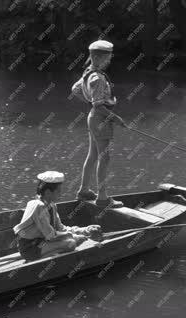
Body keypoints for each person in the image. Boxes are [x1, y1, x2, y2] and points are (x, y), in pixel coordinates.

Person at [73, 40, 125, 209]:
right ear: (96, 57)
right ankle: (102, 198)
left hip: (94, 118)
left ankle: (84, 191)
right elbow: (98, 105)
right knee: (104, 157)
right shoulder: (99, 78)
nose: (109, 60)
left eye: (109, 56)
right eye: (107, 57)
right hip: (101, 120)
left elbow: (75, 89)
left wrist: (90, 102)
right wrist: (115, 118)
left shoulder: (88, 73)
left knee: (93, 155)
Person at [13, 171, 101, 261]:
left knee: (71, 242)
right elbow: (51, 236)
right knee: (71, 243)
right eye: (58, 191)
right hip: (30, 248)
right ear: (48, 192)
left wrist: (85, 230)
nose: (60, 193)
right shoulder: (39, 207)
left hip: (43, 242)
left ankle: (51, 253)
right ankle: (38, 260)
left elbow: (61, 228)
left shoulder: (52, 205)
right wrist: (73, 236)